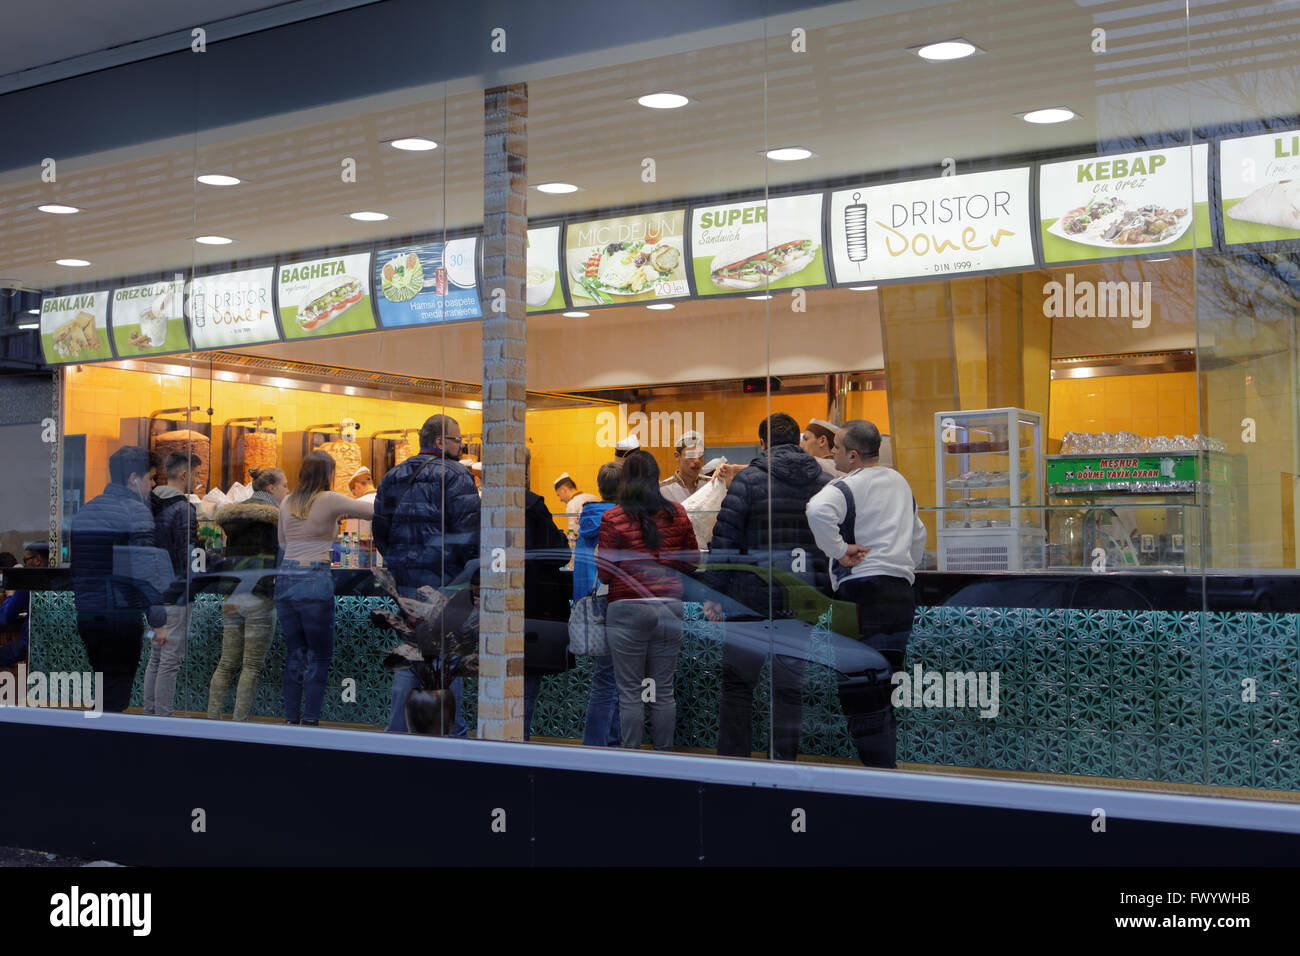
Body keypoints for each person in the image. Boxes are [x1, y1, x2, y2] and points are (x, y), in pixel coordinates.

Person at [706, 413, 831, 762]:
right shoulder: (823, 482)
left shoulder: (747, 482)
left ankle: (734, 766)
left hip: (748, 601)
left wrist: (714, 594)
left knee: (737, 688)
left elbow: (725, 539)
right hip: (801, 601)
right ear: (797, 440)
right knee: (789, 690)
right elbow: (833, 543)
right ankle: (784, 765)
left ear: (762, 443)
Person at [805, 419, 926, 768]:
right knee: (885, 686)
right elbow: (919, 533)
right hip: (900, 595)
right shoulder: (900, 482)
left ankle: (877, 771)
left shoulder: (845, 486)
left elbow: (816, 511)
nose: (833, 454)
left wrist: (841, 550)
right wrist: (904, 565)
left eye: (838, 449)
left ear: (854, 455)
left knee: (857, 689)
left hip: (860, 594)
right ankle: (884, 767)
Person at [373, 414, 480, 734]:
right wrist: (472, 577)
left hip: (405, 582)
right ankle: (450, 734)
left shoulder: (393, 474)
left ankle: (398, 734)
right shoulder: (458, 476)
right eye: (457, 439)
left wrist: (397, 561)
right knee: (445, 662)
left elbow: (381, 528)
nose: (461, 445)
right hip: (446, 583)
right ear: (439, 442)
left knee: (412, 656)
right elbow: (470, 533)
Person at [599, 449, 700, 751]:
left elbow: (604, 574)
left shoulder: (612, 517)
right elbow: (693, 560)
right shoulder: (677, 513)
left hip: (627, 610)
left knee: (630, 692)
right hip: (668, 607)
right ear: (657, 478)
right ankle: (663, 757)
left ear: (625, 479)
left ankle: (632, 761)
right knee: (663, 690)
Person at [277, 451, 374, 726]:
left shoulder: (286, 502)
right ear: (327, 474)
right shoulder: (329, 499)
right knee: (319, 656)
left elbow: (283, 543)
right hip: (314, 576)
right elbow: (372, 510)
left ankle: (290, 722)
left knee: (295, 654)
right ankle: (310, 723)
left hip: (286, 576)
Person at [71, 446, 168, 713]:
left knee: (105, 689)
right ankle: (100, 748)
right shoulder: (135, 512)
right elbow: (145, 573)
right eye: (151, 478)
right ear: (133, 478)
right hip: (120, 615)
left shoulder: (85, 511)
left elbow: (77, 568)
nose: (152, 486)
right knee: (115, 697)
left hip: (88, 613)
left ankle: (92, 745)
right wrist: (158, 621)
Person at [207, 466, 288, 721]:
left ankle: (212, 718)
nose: (288, 490)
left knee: (226, 662)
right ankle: (238, 723)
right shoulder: (274, 519)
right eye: (285, 485)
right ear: (271, 488)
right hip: (259, 597)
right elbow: (280, 560)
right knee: (251, 665)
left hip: (232, 596)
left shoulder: (233, 519)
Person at [143, 450, 202, 717]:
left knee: (156, 659)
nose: (198, 479)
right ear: (184, 474)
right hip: (175, 594)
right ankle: (163, 719)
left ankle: (151, 713)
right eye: (198, 474)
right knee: (170, 661)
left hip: (152, 593)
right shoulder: (184, 509)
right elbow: (186, 554)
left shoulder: (148, 503)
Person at [522, 448, 571, 740]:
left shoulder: (484, 505)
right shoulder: (533, 506)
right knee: (527, 681)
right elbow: (560, 553)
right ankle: (519, 743)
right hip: (535, 608)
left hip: (496, 608)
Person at [575, 461, 622, 747]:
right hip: (612, 601)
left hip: (591, 604)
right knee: (610, 681)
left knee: (609, 679)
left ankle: (610, 744)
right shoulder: (620, 519)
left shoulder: (588, 517)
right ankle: (597, 747)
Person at [0, 544, 47, 671]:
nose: (24, 565)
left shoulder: (29, 579)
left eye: (25, 561)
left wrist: (10, 595)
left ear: (37, 560)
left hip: (31, 647)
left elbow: (4, 618)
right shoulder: (61, 579)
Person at [659, 430, 706, 504]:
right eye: (691, 455)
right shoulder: (663, 490)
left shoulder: (710, 484)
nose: (697, 460)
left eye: (700, 455)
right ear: (677, 456)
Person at [554, 473, 598, 544]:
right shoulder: (594, 497)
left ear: (564, 489)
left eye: (559, 495)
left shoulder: (572, 505)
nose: (560, 499)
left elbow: (573, 534)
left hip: (584, 548)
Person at [343, 466, 377, 537]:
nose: (356, 497)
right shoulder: (387, 501)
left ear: (357, 486)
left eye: (355, 493)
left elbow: (351, 538)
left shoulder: (356, 506)